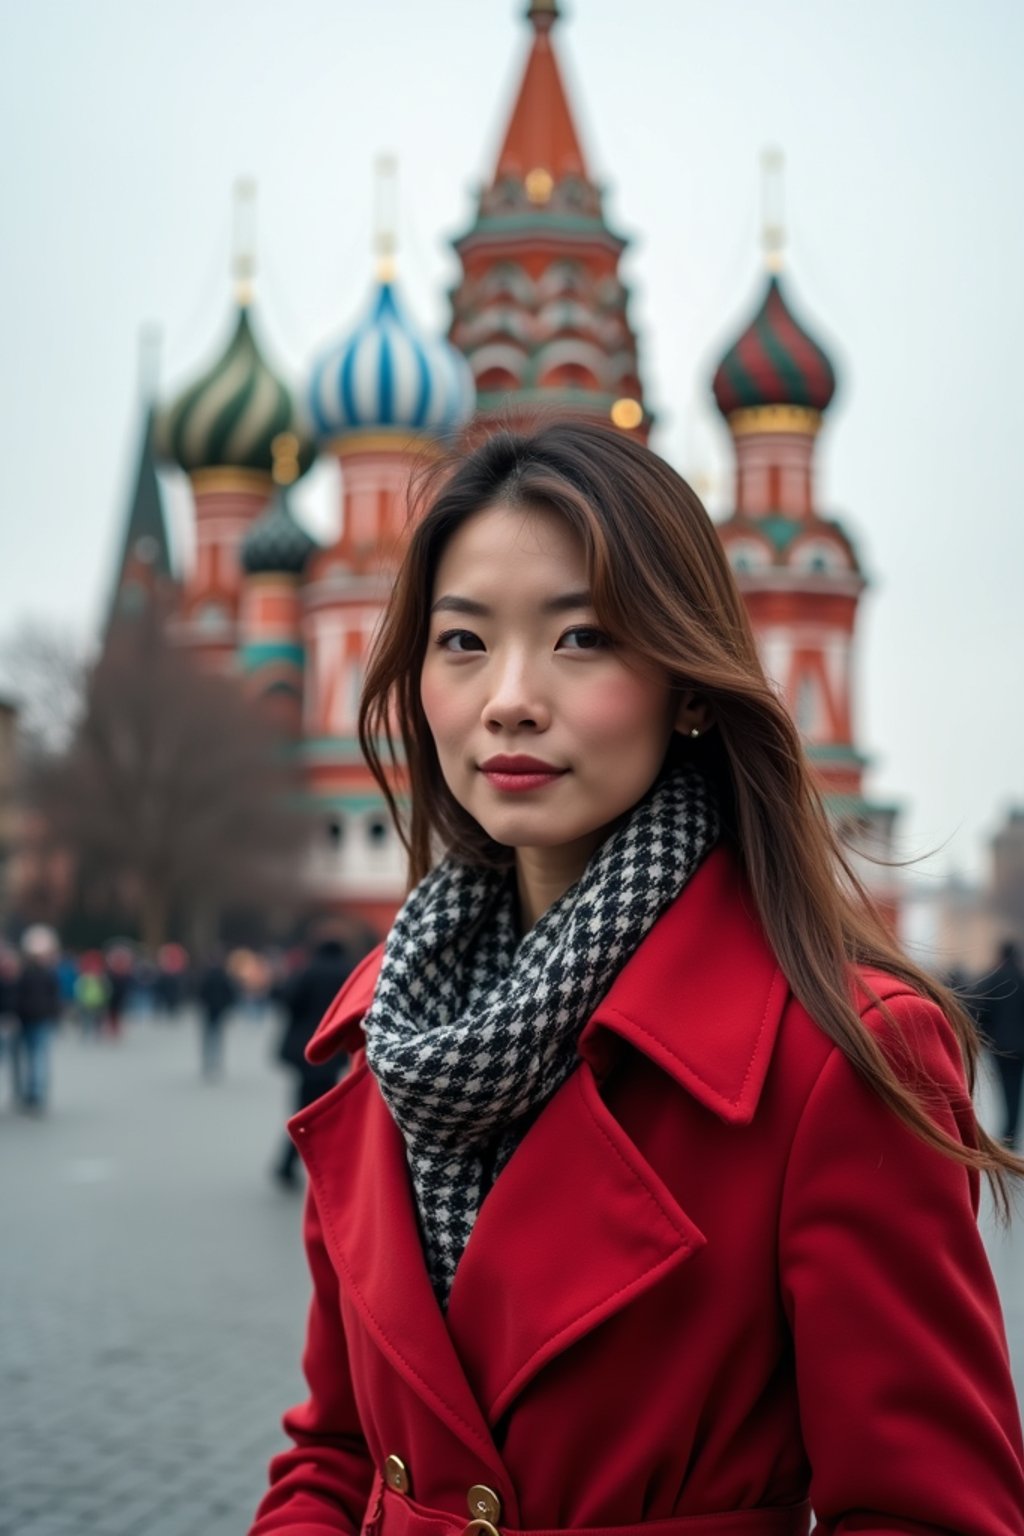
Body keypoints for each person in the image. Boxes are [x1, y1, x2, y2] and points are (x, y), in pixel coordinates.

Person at [250, 421, 1024, 1536]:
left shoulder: (833, 1058)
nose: (508, 697)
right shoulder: (390, 1032)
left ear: (690, 684)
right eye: (462, 641)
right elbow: (333, 1452)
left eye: (582, 639)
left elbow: (926, 1513)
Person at [272, 935, 355, 1188]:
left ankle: (290, 1164)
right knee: (324, 1111)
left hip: (305, 1051)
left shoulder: (308, 971)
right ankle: (324, 1169)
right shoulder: (347, 973)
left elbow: (287, 1000)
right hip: (332, 1051)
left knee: (306, 1111)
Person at [977, 940, 1024, 1148]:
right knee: (1016, 1089)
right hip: (1021, 1046)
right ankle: (1012, 1131)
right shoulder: (1021, 979)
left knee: (1005, 1089)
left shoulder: (994, 978)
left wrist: (988, 1037)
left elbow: (982, 1011)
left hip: (1001, 1046)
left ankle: (1008, 1133)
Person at [12, 924, 61, 1113]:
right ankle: (37, 1092)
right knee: (38, 1056)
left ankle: (31, 1092)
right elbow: (54, 997)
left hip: (27, 1018)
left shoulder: (23, 973)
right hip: (39, 1017)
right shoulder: (48, 974)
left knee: (31, 1056)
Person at [196, 953, 236, 1079]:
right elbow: (230, 994)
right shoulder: (224, 976)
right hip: (218, 1010)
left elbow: (200, 993)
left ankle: (209, 1062)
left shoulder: (206, 976)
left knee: (209, 1038)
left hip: (210, 1011)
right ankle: (215, 1062)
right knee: (217, 1037)